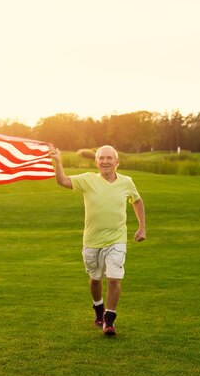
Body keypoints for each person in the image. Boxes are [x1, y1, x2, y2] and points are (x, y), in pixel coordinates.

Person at [49, 144, 146, 336]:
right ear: (96, 162)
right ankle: (98, 308)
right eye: (101, 158)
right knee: (95, 279)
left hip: (116, 239)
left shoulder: (127, 182)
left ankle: (109, 321)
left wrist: (142, 226)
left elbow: (137, 201)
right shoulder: (87, 180)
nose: (105, 161)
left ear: (117, 162)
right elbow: (62, 180)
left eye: (109, 158)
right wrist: (57, 161)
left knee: (114, 279)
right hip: (92, 241)